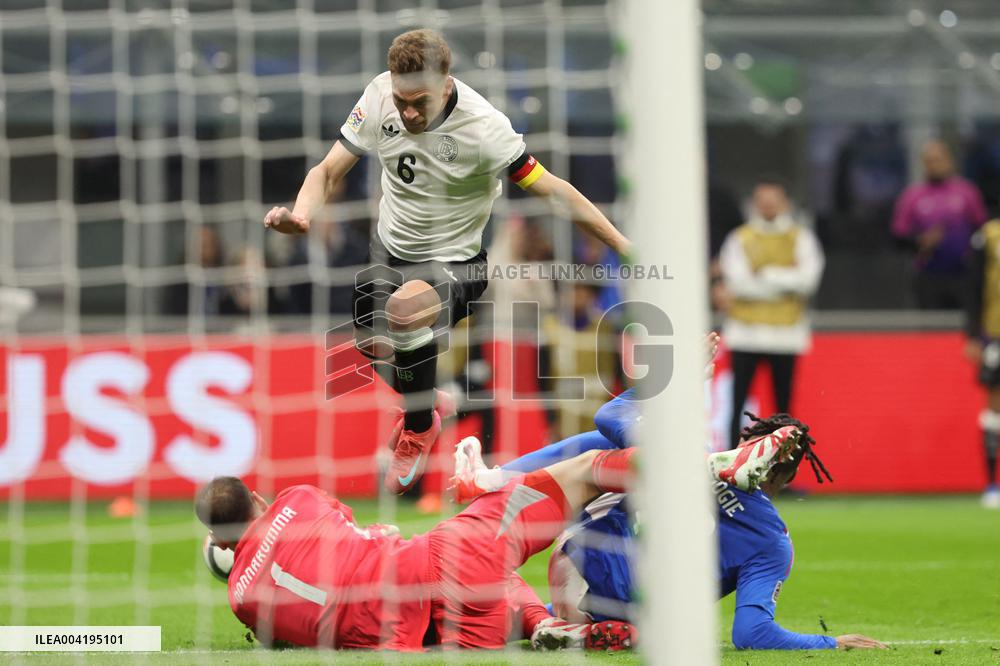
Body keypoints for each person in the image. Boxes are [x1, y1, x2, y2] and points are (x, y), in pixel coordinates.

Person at [263, 29, 631, 495]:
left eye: (419, 101)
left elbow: (556, 190)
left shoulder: (485, 129)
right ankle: (429, 399)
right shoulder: (379, 96)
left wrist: (621, 243)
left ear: (445, 82)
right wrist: (301, 214)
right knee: (364, 346)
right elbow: (327, 170)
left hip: (457, 263)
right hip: (390, 255)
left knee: (404, 313)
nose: (409, 112)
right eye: (402, 101)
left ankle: (417, 429)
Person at [451, 392, 886, 651]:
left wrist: (674, 373)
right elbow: (752, 633)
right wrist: (829, 642)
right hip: (627, 598)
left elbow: (609, 417)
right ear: (788, 477)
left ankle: (499, 481)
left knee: (620, 453)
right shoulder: (773, 542)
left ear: (742, 443)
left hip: (579, 557)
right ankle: (567, 624)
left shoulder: (684, 459)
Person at [718, 177, 825, 449]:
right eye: (762, 201)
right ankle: (730, 463)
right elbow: (738, 284)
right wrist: (786, 279)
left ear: (784, 203)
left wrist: (763, 273)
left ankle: (782, 470)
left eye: (773, 200)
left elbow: (808, 281)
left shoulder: (801, 237)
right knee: (737, 404)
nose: (767, 206)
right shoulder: (739, 238)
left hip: (786, 334)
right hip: (745, 334)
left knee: (784, 407)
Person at [892, 140, 988, 309]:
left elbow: (982, 229)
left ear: (949, 160)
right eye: (929, 161)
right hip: (928, 277)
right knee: (931, 329)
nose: (934, 165)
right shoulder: (912, 196)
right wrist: (919, 242)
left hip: (963, 275)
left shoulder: (967, 192)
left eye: (938, 160)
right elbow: (898, 236)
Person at [965, 217, 1000, 508]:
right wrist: (974, 334)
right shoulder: (988, 235)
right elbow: (974, 286)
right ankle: (992, 483)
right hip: (996, 334)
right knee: (993, 406)